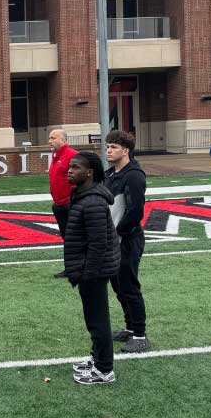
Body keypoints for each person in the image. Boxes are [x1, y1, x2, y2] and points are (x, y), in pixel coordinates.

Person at [63, 150, 120, 385]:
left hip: (94, 271)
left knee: (98, 320)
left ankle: (105, 369)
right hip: (87, 269)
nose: (70, 170)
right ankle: (97, 358)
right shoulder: (82, 195)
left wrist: (89, 272)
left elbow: (99, 243)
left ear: (89, 172)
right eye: (70, 166)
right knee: (93, 317)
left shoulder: (93, 202)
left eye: (75, 167)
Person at [104, 130, 150, 353]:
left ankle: (140, 335)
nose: (108, 151)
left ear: (126, 150)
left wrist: (119, 233)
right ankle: (130, 328)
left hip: (128, 240)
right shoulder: (111, 174)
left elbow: (135, 212)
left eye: (113, 147)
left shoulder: (134, 175)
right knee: (118, 286)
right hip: (114, 239)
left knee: (129, 287)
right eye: (108, 146)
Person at [48, 128, 77, 278]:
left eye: (53, 138)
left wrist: (75, 198)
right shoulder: (55, 155)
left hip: (69, 204)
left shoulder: (72, 155)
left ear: (63, 140)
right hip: (59, 204)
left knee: (74, 237)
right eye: (50, 138)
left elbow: (83, 177)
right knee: (67, 237)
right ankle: (70, 268)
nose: (50, 141)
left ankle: (78, 268)